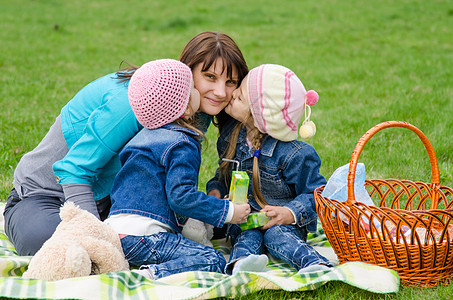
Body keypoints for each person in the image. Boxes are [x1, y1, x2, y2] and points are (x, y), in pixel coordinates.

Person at [4, 31, 248, 256]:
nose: (220, 92)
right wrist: (99, 239)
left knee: (210, 227)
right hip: (48, 195)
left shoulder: (195, 107)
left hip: (115, 202)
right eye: (209, 76)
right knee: (55, 246)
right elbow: (74, 170)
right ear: (187, 69)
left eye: (230, 82)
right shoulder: (139, 100)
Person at [104, 59, 250, 280]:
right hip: (146, 237)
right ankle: (151, 275)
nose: (197, 92)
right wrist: (228, 211)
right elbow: (180, 197)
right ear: (183, 106)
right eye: (191, 88)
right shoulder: (183, 143)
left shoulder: (141, 137)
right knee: (214, 260)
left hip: (115, 234)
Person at [206, 64, 334, 275]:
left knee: (276, 235)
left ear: (259, 117)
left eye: (239, 98)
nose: (232, 94)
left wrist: (289, 213)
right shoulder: (230, 138)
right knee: (246, 234)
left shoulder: (293, 154)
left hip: (283, 223)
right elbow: (222, 176)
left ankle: (314, 264)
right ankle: (240, 266)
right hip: (245, 219)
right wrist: (216, 193)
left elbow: (318, 194)